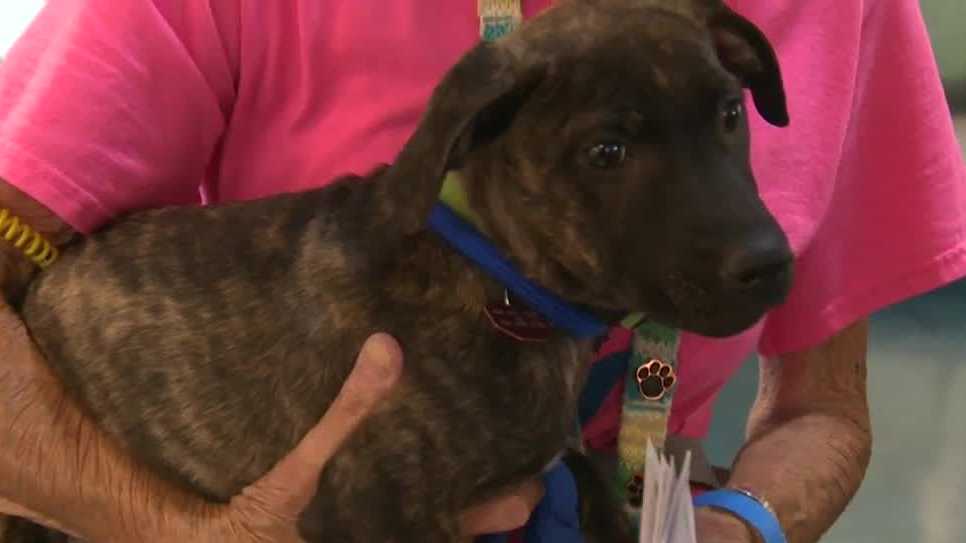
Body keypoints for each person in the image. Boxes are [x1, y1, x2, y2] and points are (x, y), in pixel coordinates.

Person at [0, 0, 963, 542]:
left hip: (619, 488)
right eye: (610, 154)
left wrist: (732, 529)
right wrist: (178, 530)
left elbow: (823, 410)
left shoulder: (838, 12)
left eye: (725, 120)